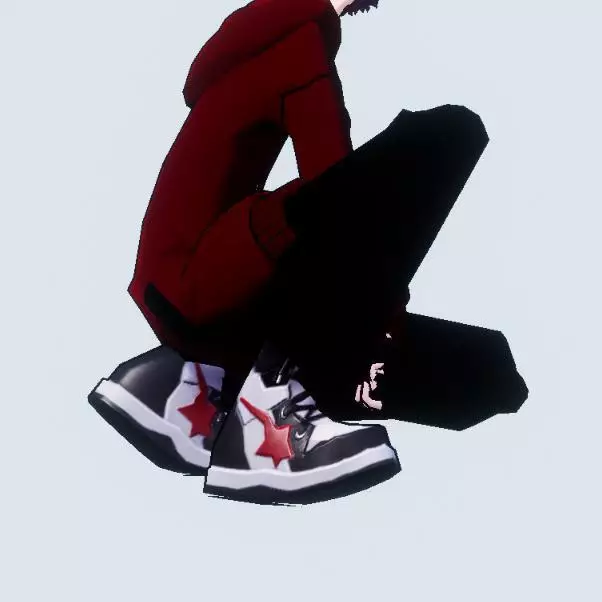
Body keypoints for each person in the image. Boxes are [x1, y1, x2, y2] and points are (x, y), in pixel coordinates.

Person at [89, 0, 488, 505]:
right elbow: (338, 185)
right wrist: (383, 308)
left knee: (481, 369)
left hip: (183, 281)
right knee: (439, 143)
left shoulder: (260, 39)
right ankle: (269, 416)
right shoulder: (299, 49)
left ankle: (200, 393)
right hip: (197, 284)